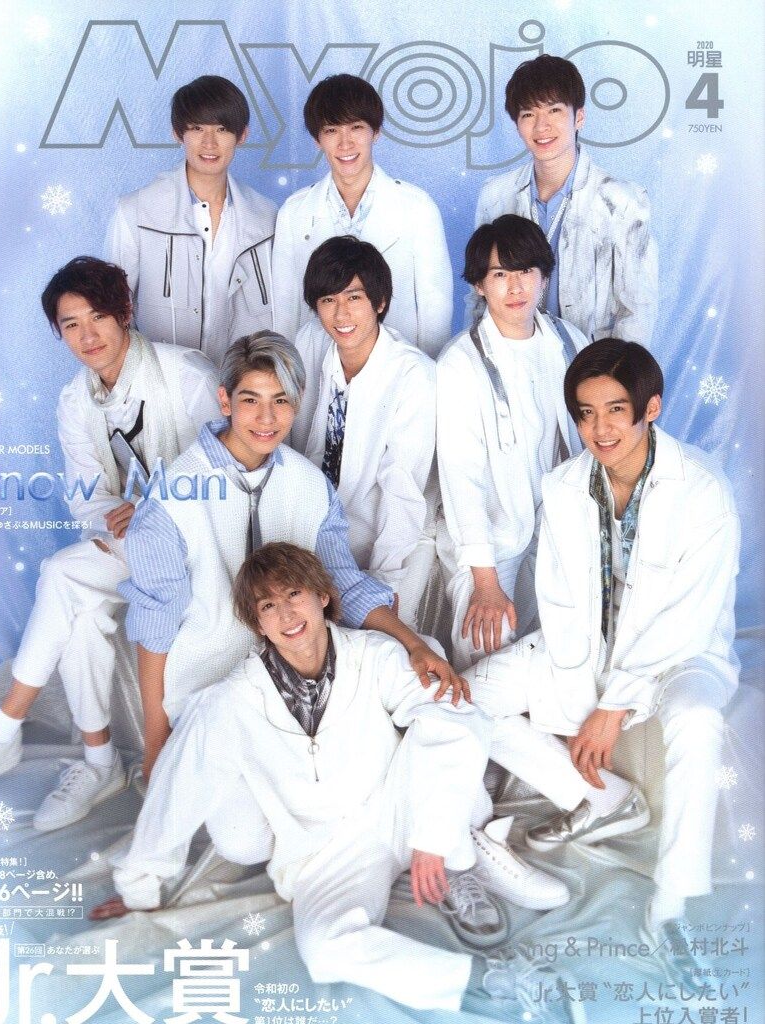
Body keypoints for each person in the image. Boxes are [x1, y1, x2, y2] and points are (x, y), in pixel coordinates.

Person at [91, 544, 571, 1013]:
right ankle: (487, 977)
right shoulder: (231, 699)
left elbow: (454, 716)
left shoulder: (374, 654)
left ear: (322, 596)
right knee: (323, 948)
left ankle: (461, 856)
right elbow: (179, 787)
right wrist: (139, 885)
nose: (285, 614)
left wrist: (431, 837)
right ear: (257, 623)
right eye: (268, 606)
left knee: (448, 720)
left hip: (394, 806)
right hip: (326, 848)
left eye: (294, 594)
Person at [465, 339, 740, 982]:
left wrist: (612, 707)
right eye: (586, 414)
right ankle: (600, 797)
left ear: (651, 408)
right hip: (583, 647)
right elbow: (560, 601)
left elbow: (686, 617)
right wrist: (574, 698)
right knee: (466, 700)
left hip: (680, 655)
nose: (601, 429)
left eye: (616, 409)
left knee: (698, 721)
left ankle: (673, 905)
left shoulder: (703, 492)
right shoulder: (563, 487)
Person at [121, 332, 468, 779]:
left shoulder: (308, 483)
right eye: (251, 400)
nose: (267, 418)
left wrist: (414, 644)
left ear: (298, 401)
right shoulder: (172, 497)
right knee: (251, 818)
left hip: (304, 670)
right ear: (224, 400)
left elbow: (342, 583)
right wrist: (155, 742)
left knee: (417, 674)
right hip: (214, 685)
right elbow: (156, 624)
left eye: (281, 400)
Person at [0, 256, 220, 829]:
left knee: (60, 574)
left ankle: (2, 731)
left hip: (205, 543)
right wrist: (124, 519)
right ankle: (100, 763)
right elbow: (86, 500)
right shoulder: (75, 401)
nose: (87, 335)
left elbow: (230, 469)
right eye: (70, 324)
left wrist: (153, 507)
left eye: (97, 316)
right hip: (132, 545)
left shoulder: (186, 373)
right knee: (78, 610)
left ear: (124, 311)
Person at [436, 215, 588, 670]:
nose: (516, 286)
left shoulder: (570, 342)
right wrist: (485, 583)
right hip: (491, 538)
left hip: (559, 524)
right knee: (490, 641)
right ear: (479, 285)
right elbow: (461, 479)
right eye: (500, 274)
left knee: (577, 642)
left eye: (526, 270)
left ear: (544, 277)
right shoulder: (459, 363)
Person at [291, 236, 437, 628]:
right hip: (307, 530)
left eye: (354, 297)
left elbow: (402, 487)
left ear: (380, 302)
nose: (341, 314)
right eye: (328, 300)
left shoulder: (413, 374)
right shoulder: (310, 343)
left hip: (376, 539)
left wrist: (386, 581)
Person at [475, 54, 658, 344]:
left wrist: (613, 371)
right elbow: (480, 295)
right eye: (528, 114)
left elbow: (637, 311)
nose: (541, 126)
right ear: (517, 124)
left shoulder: (621, 201)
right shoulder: (495, 196)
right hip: (514, 356)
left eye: (554, 110)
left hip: (592, 361)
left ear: (579, 117)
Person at [272, 74, 453, 359]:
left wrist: (424, 374)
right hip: (318, 366)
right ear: (317, 139)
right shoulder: (294, 213)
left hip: (398, 367)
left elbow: (435, 311)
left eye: (356, 127)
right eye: (331, 130)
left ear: (376, 131)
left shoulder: (417, 207)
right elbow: (284, 312)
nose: (345, 143)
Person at [106, 75, 276, 366]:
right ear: (177, 133)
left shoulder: (267, 217)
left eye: (222, 129)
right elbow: (113, 312)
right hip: (162, 382)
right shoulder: (135, 212)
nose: (209, 142)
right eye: (197, 128)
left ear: (242, 135)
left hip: (242, 384)